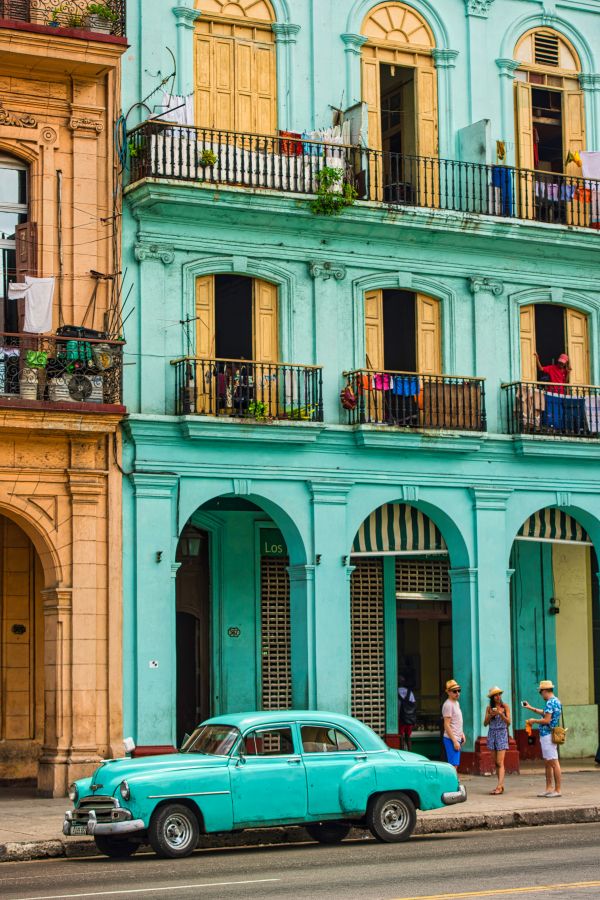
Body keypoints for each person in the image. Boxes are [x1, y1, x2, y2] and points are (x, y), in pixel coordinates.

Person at [523, 679, 562, 797]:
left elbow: (546, 720)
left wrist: (533, 721)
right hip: (549, 733)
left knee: (553, 762)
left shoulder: (550, 702)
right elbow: (545, 713)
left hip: (548, 734)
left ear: (545, 691)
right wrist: (530, 708)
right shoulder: (556, 701)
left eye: (541, 692)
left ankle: (557, 790)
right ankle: (549, 788)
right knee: (548, 762)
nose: (541, 694)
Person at [484, 686, 511, 795]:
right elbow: (485, 724)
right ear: (492, 697)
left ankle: (499, 787)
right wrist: (490, 715)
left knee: (500, 762)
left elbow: (509, 722)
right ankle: (501, 785)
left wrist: (501, 714)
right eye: (495, 695)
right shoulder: (489, 708)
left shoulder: (505, 707)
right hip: (492, 734)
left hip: (501, 733)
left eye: (499, 694)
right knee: (496, 762)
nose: (498, 697)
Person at [442, 679, 465, 770]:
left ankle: (454, 783)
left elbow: (457, 721)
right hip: (451, 738)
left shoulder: (456, 703)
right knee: (453, 765)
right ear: (448, 692)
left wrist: (462, 733)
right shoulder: (448, 705)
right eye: (454, 691)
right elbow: (446, 725)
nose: (457, 693)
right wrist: (455, 741)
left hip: (456, 737)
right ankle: (453, 784)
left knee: (455, 764)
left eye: (459, 690)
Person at [398, 675, 417, 752]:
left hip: (400, 718)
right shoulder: (410, 692)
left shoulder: (395, 691)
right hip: (409, 718)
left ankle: (402, 751)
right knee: (408, 736)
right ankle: (409, 751)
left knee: (401, 735)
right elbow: (414, 705)